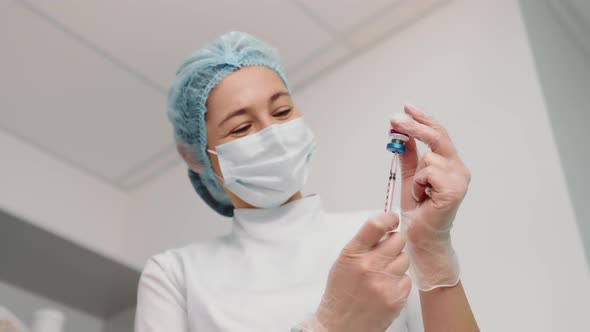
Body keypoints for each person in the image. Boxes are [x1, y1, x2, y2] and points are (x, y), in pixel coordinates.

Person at [134, 31, 478, 332]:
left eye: (282, 111)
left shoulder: (382, 236)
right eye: (241, 128)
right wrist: (331, 326)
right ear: (196, 157)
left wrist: (431, 250)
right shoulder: (177, 276)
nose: (273, 134)